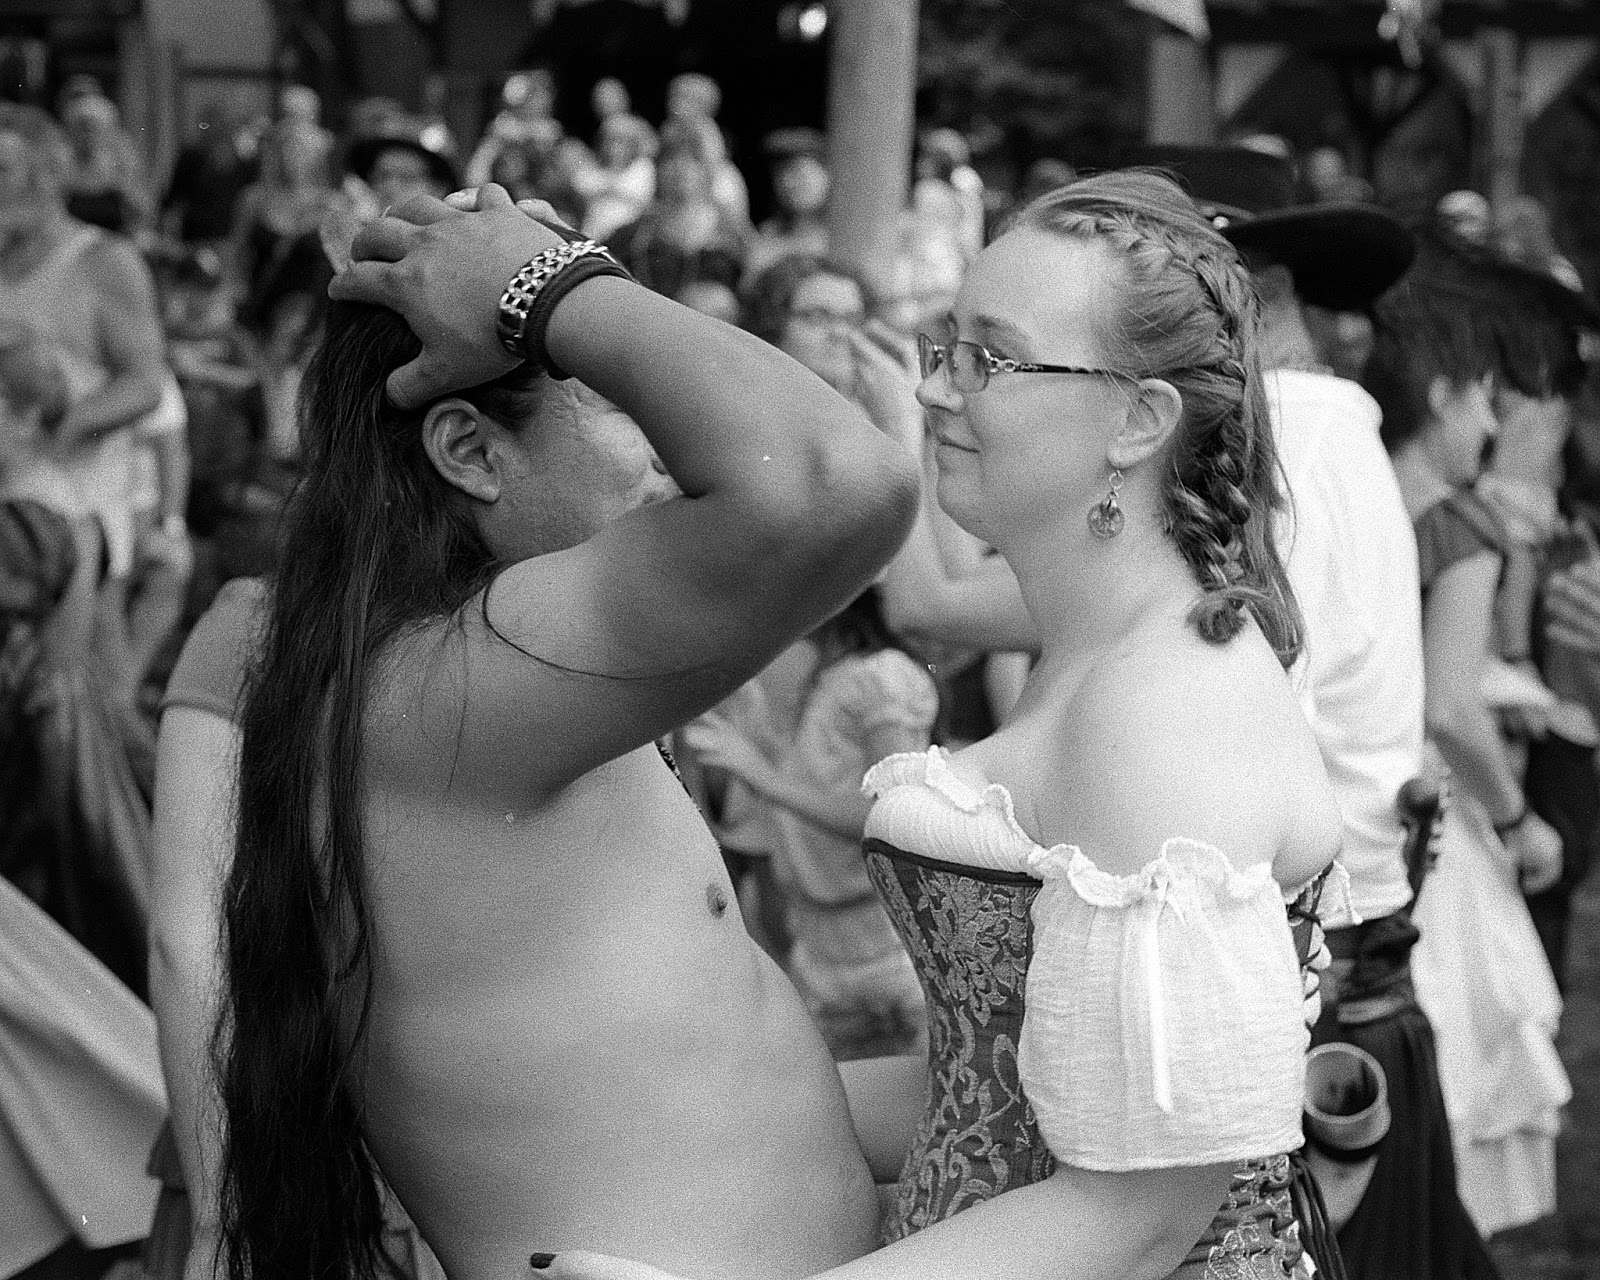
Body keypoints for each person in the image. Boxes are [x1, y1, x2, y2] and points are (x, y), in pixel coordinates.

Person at [541, 169, 1344, 1280]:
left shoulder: (1163, 715)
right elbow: (989, 1095)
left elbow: (1137, 1218)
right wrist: (658, 1122)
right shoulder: (1096, 652)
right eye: (945, 347)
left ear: (1138, 419)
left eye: (990, 360)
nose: (931, 391)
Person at [208, 183, 918, 1280]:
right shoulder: (440, 689)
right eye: (626, 404)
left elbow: (702, 1098)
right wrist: (548, 286)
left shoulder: (480, 682)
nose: (675, 455)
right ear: (471, 451)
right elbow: (838, 483)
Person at [1367, 233, 1571, 1241]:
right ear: (1441, 394)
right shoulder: (1460, 528)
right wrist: (1522, 818)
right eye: (1484, 400)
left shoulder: (1345, 505)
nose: (1494, 424)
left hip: (1351, 806)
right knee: (1456, 1066)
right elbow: (1448, 707)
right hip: (1427, 823)